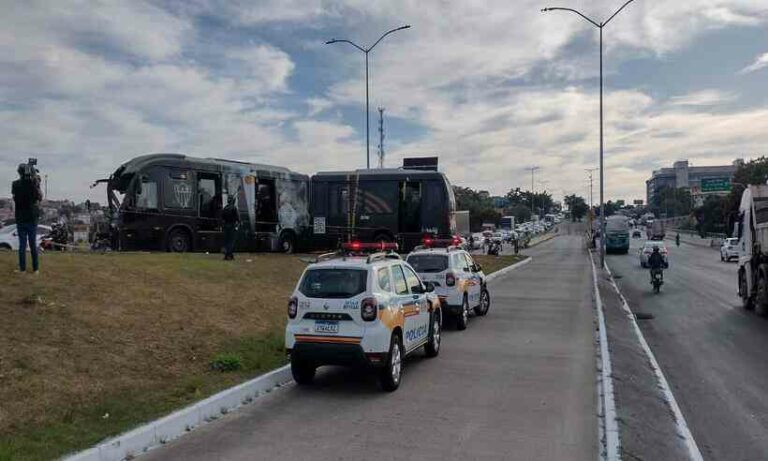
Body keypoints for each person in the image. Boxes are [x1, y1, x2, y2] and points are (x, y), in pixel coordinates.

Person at [12, 163, 43, 273]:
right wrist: (37, 182)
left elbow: (15, 198)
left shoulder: (15, 184)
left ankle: (22, 269)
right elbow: (39, 197)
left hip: (20, 218)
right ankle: (36, 269)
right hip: (32, 218)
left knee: (22, 245)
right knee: (32, 244)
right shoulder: (33, 185)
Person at [221, 196, 240, 260]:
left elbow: (222, 218)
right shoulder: (234, 208)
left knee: (227, 241)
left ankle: (229, 255)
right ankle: (228, 255)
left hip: (226, 226)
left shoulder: (225, 208)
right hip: (232, 226)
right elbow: (238, 218)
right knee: (231, 242)